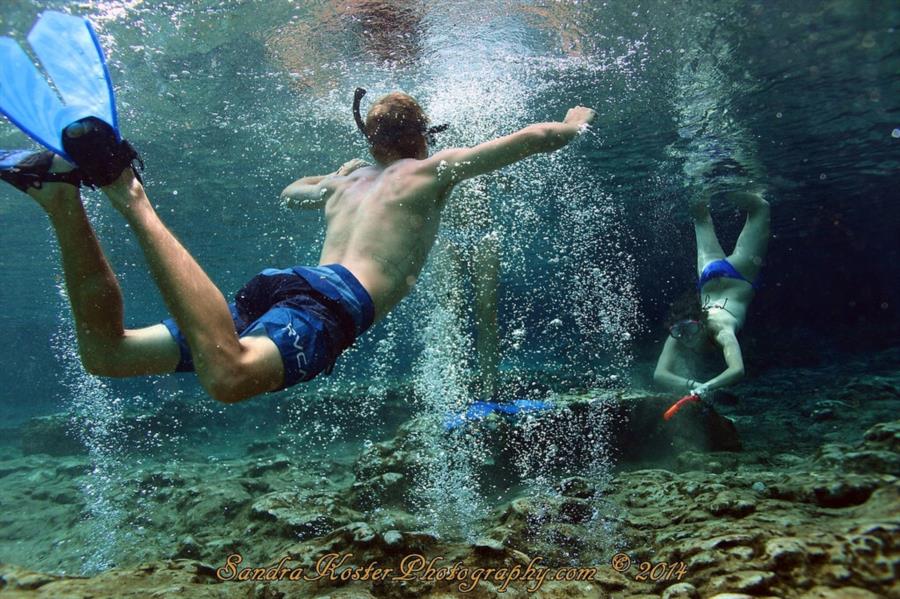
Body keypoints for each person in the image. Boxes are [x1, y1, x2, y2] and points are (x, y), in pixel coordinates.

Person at [0, 13, 596, 405]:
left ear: (370, 140)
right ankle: (125, 190)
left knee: (111, 355)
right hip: (335, 300)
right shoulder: (432, 171)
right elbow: (528, 139)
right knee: (228, 374)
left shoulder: (347, 181)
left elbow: (292, 192)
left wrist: (332, 176)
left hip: (289, 289)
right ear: (425, 136)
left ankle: (59, 200)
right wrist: (572, 124)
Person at [653, 189, 770, 398]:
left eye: (689, 330)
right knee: (701, 215)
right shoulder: (679, 332)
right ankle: (718, 183)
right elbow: (659, 375)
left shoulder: (721, 329)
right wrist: (695, 384)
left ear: (701, 321)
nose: (686, 339)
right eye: (680, 332)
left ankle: (722, 182)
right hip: (709, 274)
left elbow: (737, 370)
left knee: (760, 208)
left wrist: (704, 386)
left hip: (739, 274)